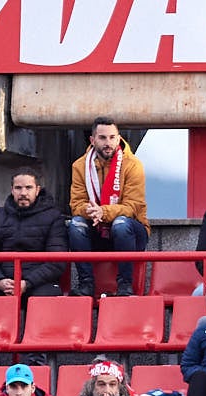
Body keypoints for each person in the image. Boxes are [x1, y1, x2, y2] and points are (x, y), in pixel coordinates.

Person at [67, 116, 149, 297]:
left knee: (121, 223)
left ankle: (125, 285)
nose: (108, 143)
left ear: (119, 138)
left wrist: (103, 212)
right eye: (102, 138)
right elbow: (76, 204)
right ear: (92, 140)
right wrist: (90, 211)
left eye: (112, 137)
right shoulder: (80, 166)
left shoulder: (133, 165)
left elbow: (133, 207)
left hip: (131, 233)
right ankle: (86, 284)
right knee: (76, 225)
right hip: (96, 229)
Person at [0, 167, 67, 301]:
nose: (23, 193)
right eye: (18, 188)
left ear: (37, 190)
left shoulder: (53, 217)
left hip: (41, 283)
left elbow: (57, 261)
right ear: (12, 190)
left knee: (45, 303)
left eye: (28, 187)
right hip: (3, 283)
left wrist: (27, 283)